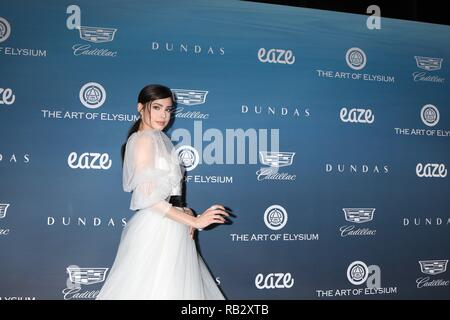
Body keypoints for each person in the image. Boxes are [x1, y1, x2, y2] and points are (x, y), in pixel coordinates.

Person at [97, 84, 227, 300]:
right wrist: (195, 222)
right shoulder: (143, 140)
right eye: (156, 107)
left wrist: (186, 213)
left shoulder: (159, 139)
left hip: (172, 225)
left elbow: (168, 192)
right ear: (140, 107)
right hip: (157, 229)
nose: (163, 115)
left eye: (168, 109)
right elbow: (147, 199)